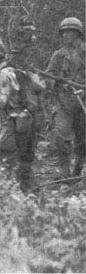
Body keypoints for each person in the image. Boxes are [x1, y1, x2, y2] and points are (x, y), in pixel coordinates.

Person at [0, 38, 45, 193]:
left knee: (2, 162)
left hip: (14, 123)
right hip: (27, 122)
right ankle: (33, 198)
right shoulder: (11, 71)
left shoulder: (3, 74)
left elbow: (2, 101)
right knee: (25, 163)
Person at [45, 17, 86, 181]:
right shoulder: (58, 56)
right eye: (63, 32)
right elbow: (48, 76)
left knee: (83, 139)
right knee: (61, 136)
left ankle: (78, 168)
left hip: (83, 102)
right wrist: (59, 82)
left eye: (69, 31)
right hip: (64, 103)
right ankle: (64, 172)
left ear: (78, 33)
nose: (65, 35)